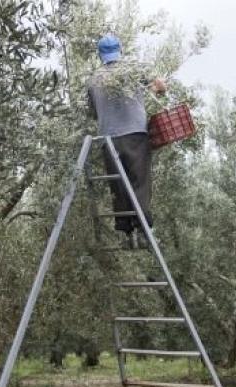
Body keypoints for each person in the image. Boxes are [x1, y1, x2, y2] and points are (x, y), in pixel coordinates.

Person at [87, 34, 166, 249]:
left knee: (118, 185)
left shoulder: (94, 79)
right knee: (139, 182)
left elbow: (93, 111)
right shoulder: (132, 70)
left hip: (108, 138)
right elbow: (157, 88)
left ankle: (125, 234)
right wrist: (159, 87)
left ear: (100, 55)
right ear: (120, 50)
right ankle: (142, 233)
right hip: (134, 135)